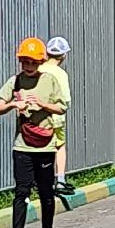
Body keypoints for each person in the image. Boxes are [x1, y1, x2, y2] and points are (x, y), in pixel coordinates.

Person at [0, 37, 69, 228]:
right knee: (22, 191)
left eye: (33, 63)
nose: (28, 67)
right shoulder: (15, 81)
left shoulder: (49, 81)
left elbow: (61, 107)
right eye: (25, 62)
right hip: (23, 145)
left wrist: (42, 105)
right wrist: (12, 105)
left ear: (41, 62)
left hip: (45, 145)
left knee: (46, 192)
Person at [41, 36, 74, 195]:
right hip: (56, 118)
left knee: (40, 148)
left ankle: (39, 179)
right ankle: (60, 181)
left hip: (38, 119)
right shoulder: (61, 74)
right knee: (59, 146)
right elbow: (66, 101)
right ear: (64, 55)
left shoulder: (39, 69)